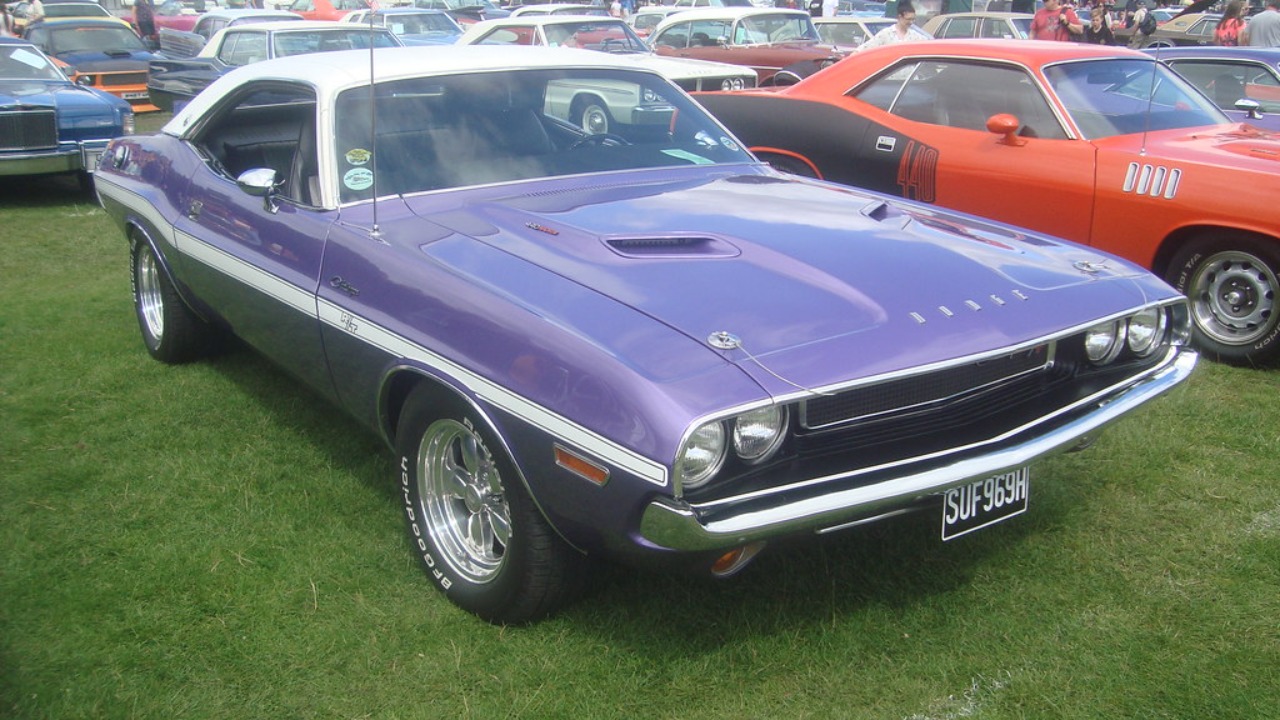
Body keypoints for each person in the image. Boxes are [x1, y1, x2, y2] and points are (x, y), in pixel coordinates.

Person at [857, 1, 931, 50]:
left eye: (913, 19)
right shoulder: (886, 34)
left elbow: (929, 46)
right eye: (908, 19)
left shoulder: (916, 36)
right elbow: (865, 48)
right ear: (900, 17)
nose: (911, 22)